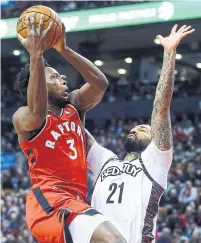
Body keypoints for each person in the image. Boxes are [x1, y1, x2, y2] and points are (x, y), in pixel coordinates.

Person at [13, 13, 126, 243]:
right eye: (54, 77)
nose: (62, 77)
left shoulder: (73, 107)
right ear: (39, 83)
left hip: (75, 200)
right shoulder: (23, 116)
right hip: (50, 202)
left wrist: (64, 50)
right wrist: (36, 55)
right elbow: (37, 113)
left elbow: (100, 84)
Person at [85, 25, 195, 243]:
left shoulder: (156, 161)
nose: (135, 128)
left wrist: (169, 52)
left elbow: (161, 108)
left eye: (144, 129)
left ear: (154, 140)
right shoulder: (106, 161)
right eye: (134, 128)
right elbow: (78, 132)